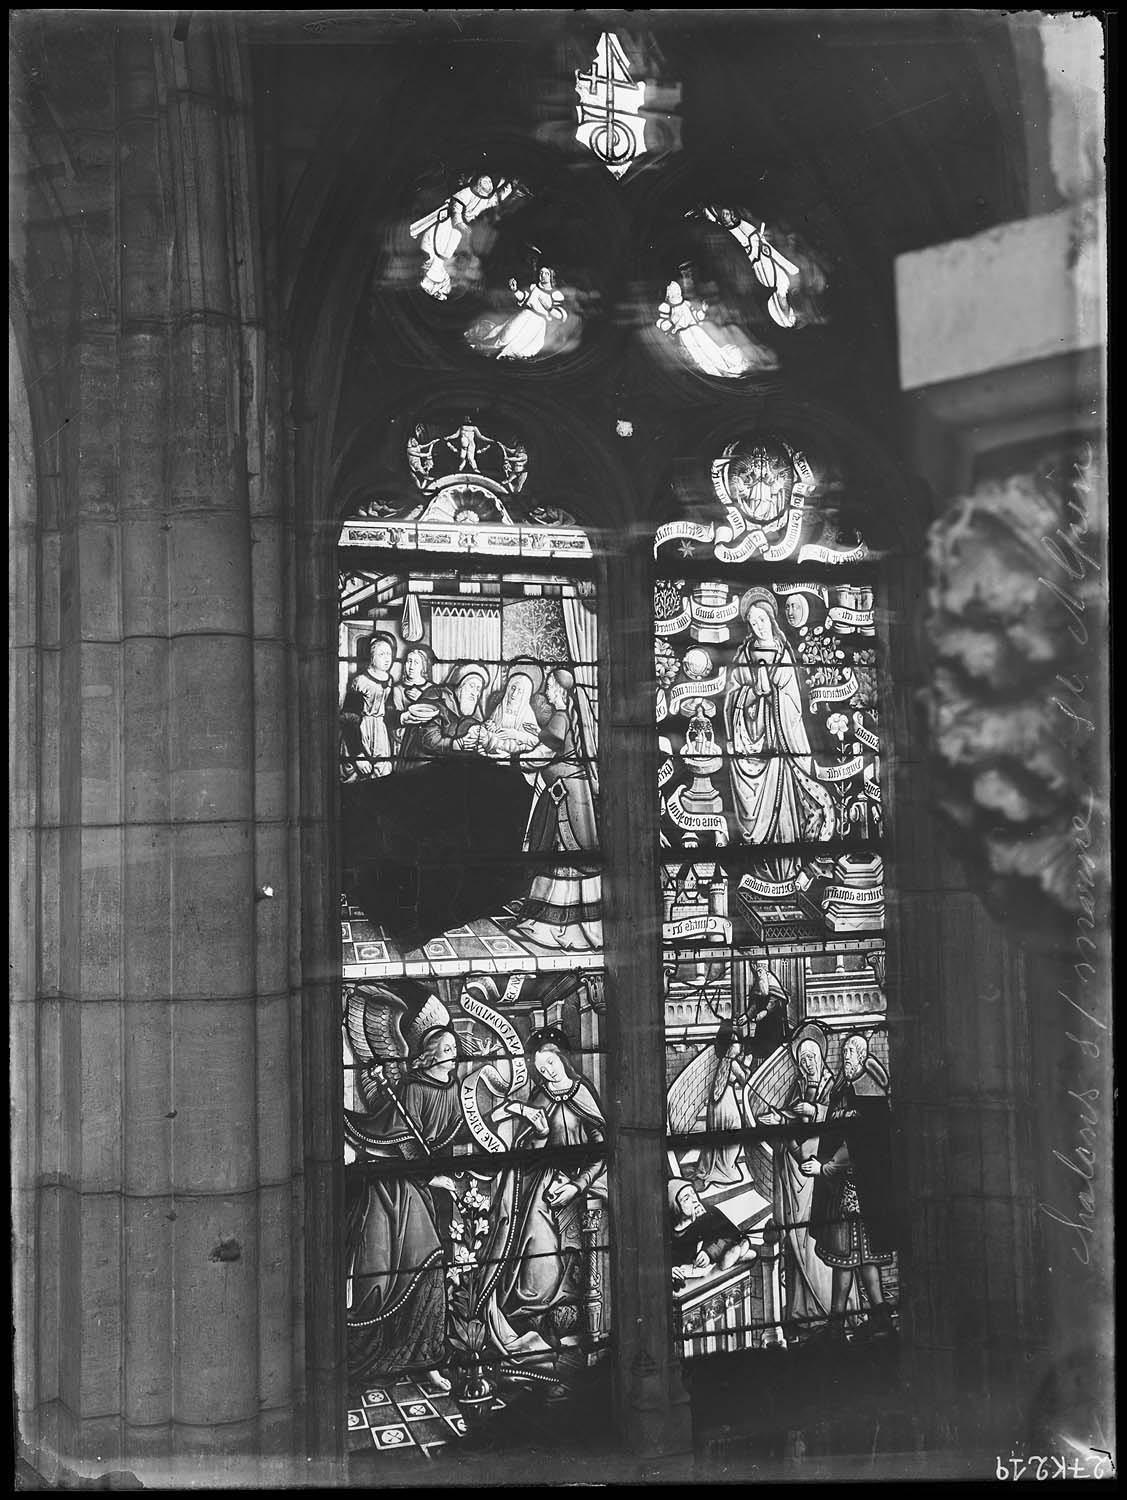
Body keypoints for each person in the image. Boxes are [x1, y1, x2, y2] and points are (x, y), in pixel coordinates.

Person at [344, 1025, 469, 1391]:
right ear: (430, 1054)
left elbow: (453, 1134)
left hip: (427, 1186)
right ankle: (385, 1357)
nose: (453, 1052)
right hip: (397, 1185)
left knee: (429, 1265)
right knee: (409, 1265)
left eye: (455, 1046)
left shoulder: (455, 1090)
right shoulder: (413, 1088)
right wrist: (430, 1177)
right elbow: (402, 1136)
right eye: (446, 1047)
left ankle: (427, 1358)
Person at [485, 1035, 607, 1349]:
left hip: (584, 1181)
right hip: (545, 1181)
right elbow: (528, 1152)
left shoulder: (583, 1093)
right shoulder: (540, 1097)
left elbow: (601, 1150)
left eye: (550, 1063)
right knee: (537, 1244)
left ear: (563, 1058)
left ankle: (575, 1321)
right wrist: (539, 1134)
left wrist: (577, 1186)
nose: (548, 1072)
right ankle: (536, 1314)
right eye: (541, 1069)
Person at [801, 1033, 897, 1341]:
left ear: (862, 1059)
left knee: (851, 1260)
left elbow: (855, 1147)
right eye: (843, 1054)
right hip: (848, 1193)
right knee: (855, 1260)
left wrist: (824, 1168)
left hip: (858, 1195)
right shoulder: (846, 1089)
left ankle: (841, 1325)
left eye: (850, 1055)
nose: (845, 1059)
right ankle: (870, 1320)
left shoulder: (868, 1093)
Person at [724, 588, 836, 850]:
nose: (759, 626)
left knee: (785, 807)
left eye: (762, 620)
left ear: (771, 619)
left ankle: (789, 861)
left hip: (780, 744)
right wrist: (753, 693)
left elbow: (793, 703)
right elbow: (731, 697)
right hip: (749, 744)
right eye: (753, 623)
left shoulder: (783, 653)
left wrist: (773, 690)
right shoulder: (744, 655)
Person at [759, 1025, 845, 1342]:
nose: (808, 1063)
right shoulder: (798, 1086)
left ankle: (828, 1308)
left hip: (821, 1179)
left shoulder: (834, 1086)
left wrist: (815, 1110)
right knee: (799, 1243)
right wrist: (781, 1120)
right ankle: (802, 1311)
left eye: (812, 1056)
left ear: (821, 1056)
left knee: (820, 1242)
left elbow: (841, 1121)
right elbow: (795, 1123)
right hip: (798, 1173)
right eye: (803, 1058)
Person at [508, 668, 602, 950]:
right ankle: (563, 919)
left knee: (562, 854)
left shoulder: (561, 718)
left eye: (550, 685)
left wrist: (516, 758)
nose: (547, 690)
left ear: (560, 690)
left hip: (566, 799)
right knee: (562, 854)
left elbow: (542, 756)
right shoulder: (566, 717)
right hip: (571, 794)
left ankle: (554, 925)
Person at [395, 661, 489, 768]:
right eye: (471, 686)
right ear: (459, 685)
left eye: (478, 689)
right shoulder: (435, 697)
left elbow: (476, 728)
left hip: (449, 766)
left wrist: (480, 742)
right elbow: (429, 740)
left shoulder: (470, 704)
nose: (474, 693)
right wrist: (456, 744)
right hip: (421, 765)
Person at [692, 1025, 752, 1190]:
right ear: (730, 1046)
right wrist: (748, 1063)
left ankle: (718, 1164)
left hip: (717, 1103)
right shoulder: (732, 1063)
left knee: (723, 1131)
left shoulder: (724, 1061)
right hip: (725, 1101)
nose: (739, 1046)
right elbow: (744, 1080)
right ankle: (725, 1167)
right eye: (736, 1043)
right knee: (735, 1129)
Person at [656, 277, 751, 379]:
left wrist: (703, 311)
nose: (677, 292)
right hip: (685, 334)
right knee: (697, 354)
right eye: (674, 290)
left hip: (697, 330)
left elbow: (695, 317)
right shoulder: (666, 307)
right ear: (669, 292)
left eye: (678, 289)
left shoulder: (686, 304)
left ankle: (725, 368)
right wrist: (671, 327)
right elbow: (662, 323)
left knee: (711, 348)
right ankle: (713, 373)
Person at [469, 266, 568, 361]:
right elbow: (524, 298)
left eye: (546, 273)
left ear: (551, 276)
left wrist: (548, 307)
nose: (542, 275)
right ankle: (485, 347)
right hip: (525, 315)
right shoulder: (534, 287)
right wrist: (515, 290)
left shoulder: (555, 295)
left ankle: (505, 358)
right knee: (506, 335)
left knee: (519, 345)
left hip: (537, 323)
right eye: (541, 272)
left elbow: (561, 316)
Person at [669, 1180, 756, 1287]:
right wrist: (671, 1270)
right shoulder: (668, 1231)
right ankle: (737, 1256)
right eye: (686, 1198)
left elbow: (732, 1233)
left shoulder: (709, 1212)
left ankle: (735, 1254)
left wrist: (709, 1253)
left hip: (716, 1257)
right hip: (693, 1275)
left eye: (693, 1193)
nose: (694, 1200)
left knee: (736, 1243)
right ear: (675, 1206)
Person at [340, 632, 397, 781]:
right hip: (361, 732)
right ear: (371, 657)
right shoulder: (360, 681)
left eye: (389, 654)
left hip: (380, 734)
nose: (387, 658)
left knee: (383, 773)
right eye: (381, 654)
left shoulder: (389, 680)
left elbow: (389, 711)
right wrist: (357, 754)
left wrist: (404, 717)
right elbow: (349, 719)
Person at [481, 667, 543, 757]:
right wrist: (490, 725)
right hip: (496, 747)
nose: (514, 694)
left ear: (525, 694)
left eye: (520, 691)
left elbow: (536, 740)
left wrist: (514, 734)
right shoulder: (501, 707)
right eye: (513, 688)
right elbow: (493, 726)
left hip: (516, 753)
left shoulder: (527, 712)